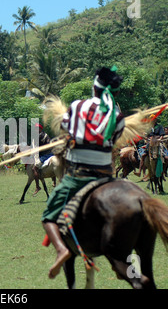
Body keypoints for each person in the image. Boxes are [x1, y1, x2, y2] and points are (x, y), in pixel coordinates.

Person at [41, 66, 125, 279]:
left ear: (94, 87)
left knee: (49, 214)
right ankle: (123, 262)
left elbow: (68, 133)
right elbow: (113, 143)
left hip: (79, 175)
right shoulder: (117, 114)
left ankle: (62, 249)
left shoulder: (78, 106)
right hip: (106, 176)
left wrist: (69, 140)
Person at [32, 123, 53, 195]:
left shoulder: (41, 136)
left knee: (34, 168)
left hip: (45, 155)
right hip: (49, 153)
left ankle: (37, 186)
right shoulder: (43, 135)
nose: (36, 130)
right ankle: (54, 181)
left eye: (38, 128)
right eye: (35, 129)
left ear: (41, 129)